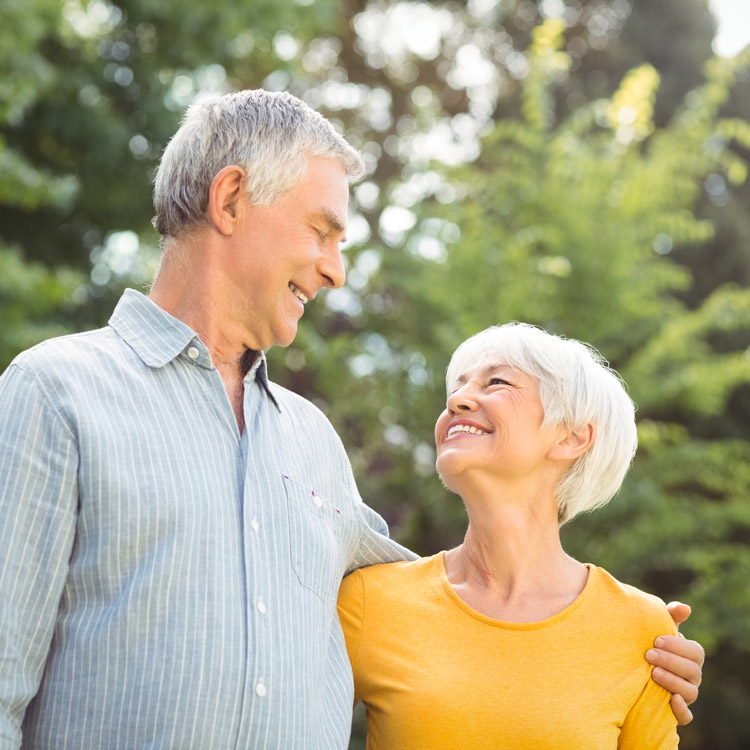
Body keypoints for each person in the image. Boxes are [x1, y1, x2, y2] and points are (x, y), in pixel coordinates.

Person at [0, 90, 700, 749]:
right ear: (232, 198)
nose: (335, 271)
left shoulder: (310, 440)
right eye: (322, 232)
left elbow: (454, 598)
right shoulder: (57, 392)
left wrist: (620, 640)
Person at [338, 323, 700, 749]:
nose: (457, 399)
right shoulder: (368, 600)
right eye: (457, 387)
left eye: (497, 382)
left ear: (570, 436)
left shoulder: (644, 629)